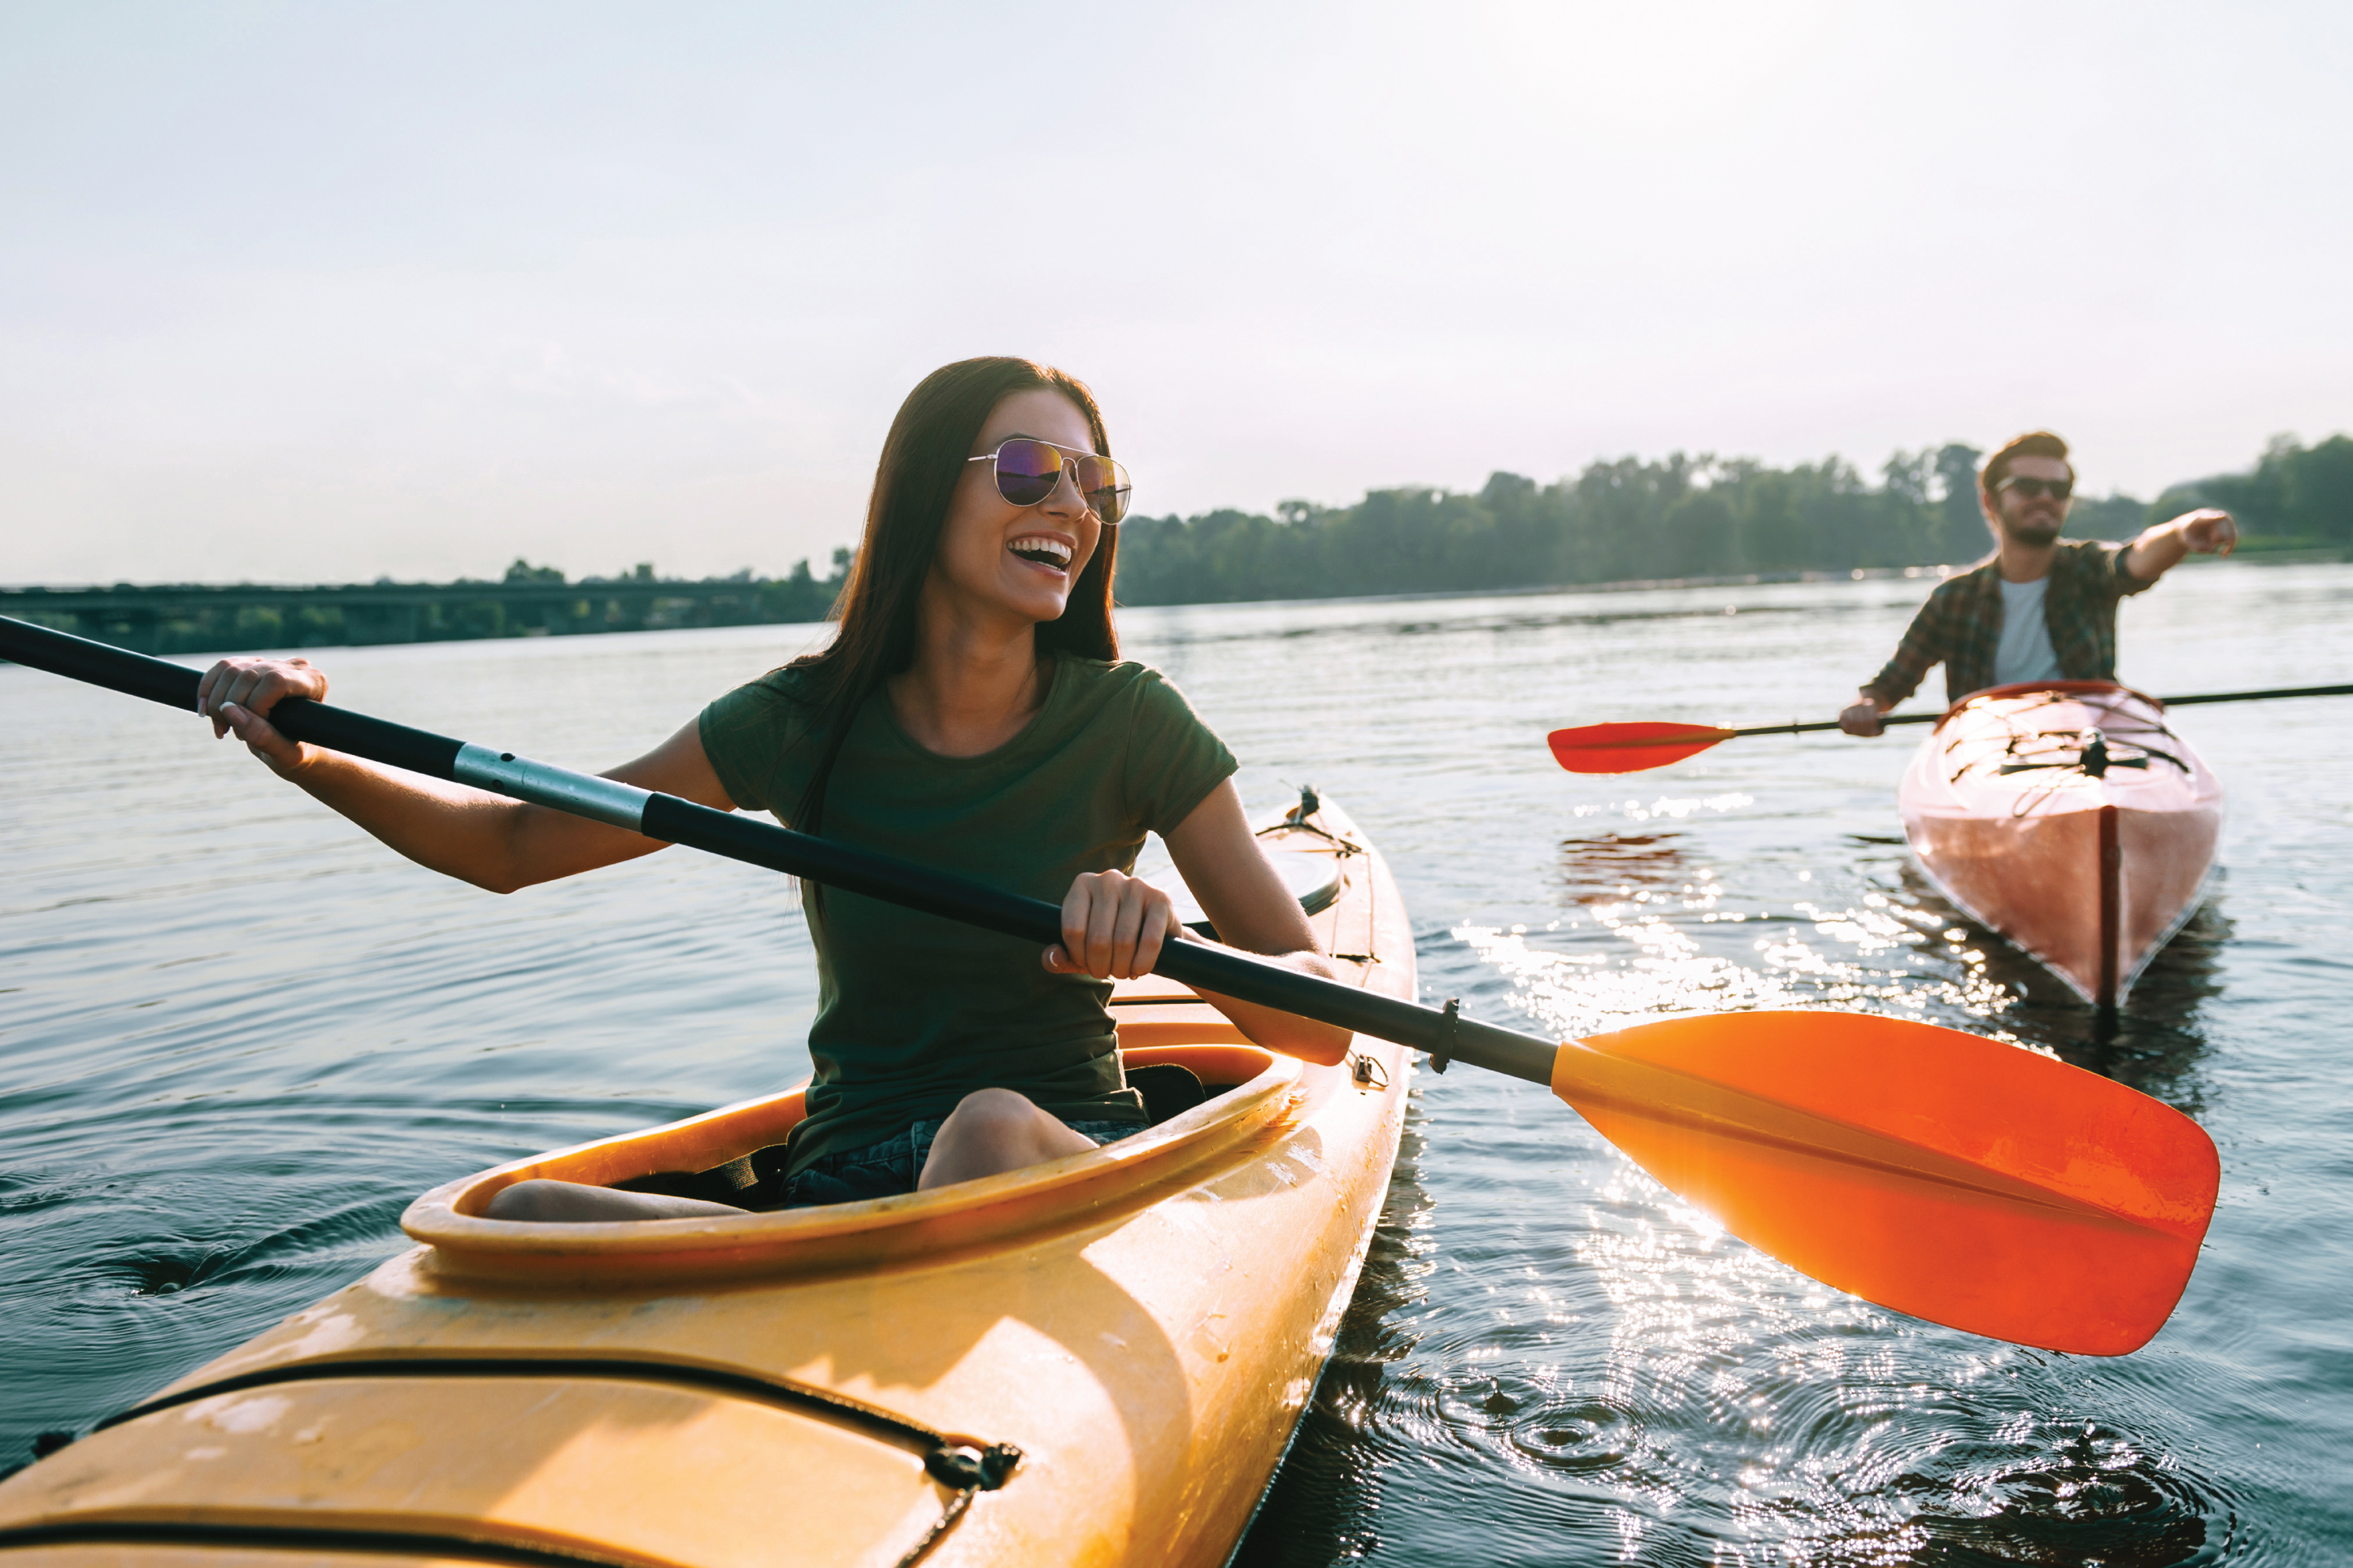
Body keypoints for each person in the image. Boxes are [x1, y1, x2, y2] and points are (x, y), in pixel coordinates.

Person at [194, 356, 1350, 1221]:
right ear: (920, 494)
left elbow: (1315, 1022)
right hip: (840, 1180)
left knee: (985, 1127)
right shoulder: (801, 720)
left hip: (1047, 1152)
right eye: (1026, 470)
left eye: (1095, 483)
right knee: (514, 1210)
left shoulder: (1132, 720)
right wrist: (308, 750)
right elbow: (507, 844)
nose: (1071, 506)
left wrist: (1159, 940)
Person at [1840, 431, 2238, 734]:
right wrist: (1866, 706)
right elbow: (1887, 688)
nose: (2045, 497)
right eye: (2028, 487)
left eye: (2059, 489)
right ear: (1990, 502)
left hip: (2089, 742)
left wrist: (2183, 532)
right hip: (1989, 749)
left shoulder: (2089, 569)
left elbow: (2136, 559)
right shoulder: (1953, 599)